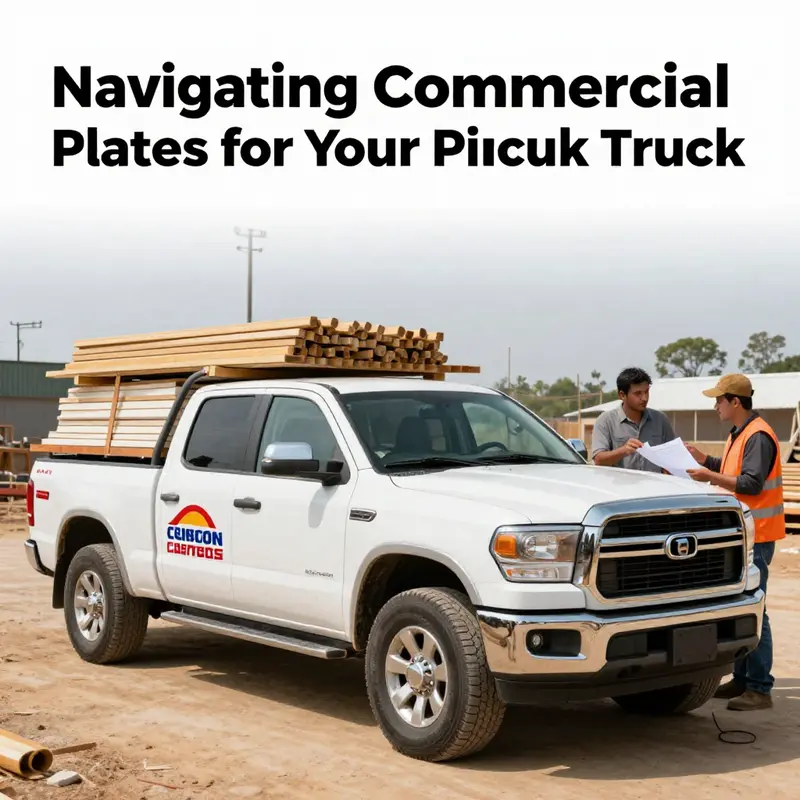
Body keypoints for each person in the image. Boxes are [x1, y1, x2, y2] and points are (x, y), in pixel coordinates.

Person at [686, 373, 785, 711]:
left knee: (757, 608)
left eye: (719, 400)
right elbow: (733, 471)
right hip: (742, 535)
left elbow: (750, 484)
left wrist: (708, 475)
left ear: (735, 402)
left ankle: (759, 688)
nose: (715, 406)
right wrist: (706, 460)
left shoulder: (758, 436)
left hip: (756, 535)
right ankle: (743, 680)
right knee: (742, 606)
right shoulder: (740, 434)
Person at [591, 367, 676, 473]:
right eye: (638, 393)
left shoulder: (661, 420)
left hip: (655, 488)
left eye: (646, 392)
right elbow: (599, 460)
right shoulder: (605, 421)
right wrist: (623, 451)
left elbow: (673, 458)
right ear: (622, 395)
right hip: (618, 488)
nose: (644, 398)